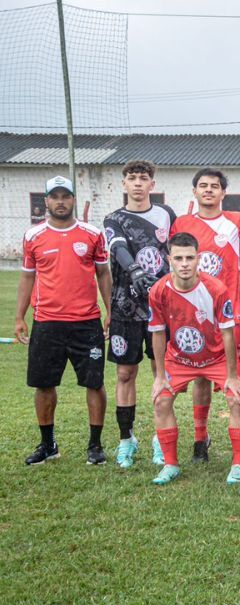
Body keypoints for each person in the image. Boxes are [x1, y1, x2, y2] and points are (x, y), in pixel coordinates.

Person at [17, 176, 112, 466]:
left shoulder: (92, 234)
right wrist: (20, 316)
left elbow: (103, 273)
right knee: (44, 385)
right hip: (47, 323)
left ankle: (95, 446)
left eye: (65, 196)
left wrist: (110, 311)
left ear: (73, 199)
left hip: (86, 322)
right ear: (46, 201)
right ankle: (48, 445)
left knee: (94, 384)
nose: (60, 201)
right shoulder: (33, 236)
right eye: (54, 196)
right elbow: (27, 276)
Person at [148, 232, 240, 485]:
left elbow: (227, 334)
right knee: (161, 400)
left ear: (198, 259)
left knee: (236, 400)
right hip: (179, 360)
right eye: (178, 258)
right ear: (169, 258)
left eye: (189, 258)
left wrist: (232, 375)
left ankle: (237, 463)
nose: (184, 264)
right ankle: (171, 464)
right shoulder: (159, 290)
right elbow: (158, 334)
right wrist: (160, 376)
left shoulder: (215, 289)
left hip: (215, 358)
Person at [169, 168, 240, 464]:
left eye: (215, 186)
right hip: (192, 314)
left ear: (223, 192)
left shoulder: (237, 222)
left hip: (228, 314)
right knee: (200, 377)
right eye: (203, 186)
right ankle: (201, 439)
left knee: (234, 379)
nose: (209, 190)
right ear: (195, 191)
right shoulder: (183, 223)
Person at [103, 160, 176, 468]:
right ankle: (126, 439)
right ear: (123, 184)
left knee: (161, 373)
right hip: (124, 305)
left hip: (161, 307)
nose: (137, 183)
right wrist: (133, 270)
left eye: (143, 178)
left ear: (152, 185)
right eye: (131, 178)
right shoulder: (114, 218)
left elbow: (178, 250)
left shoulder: (167, 215)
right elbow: (117, 246)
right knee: (124, 373)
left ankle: (161, 439)